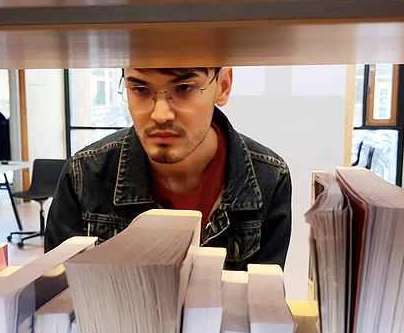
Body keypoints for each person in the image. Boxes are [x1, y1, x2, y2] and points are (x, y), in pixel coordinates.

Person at [44, 67, 292, 270]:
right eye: (140, 89)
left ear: (223, 85)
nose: (160, 114)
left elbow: (260, 307)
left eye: (184, 88)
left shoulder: (268, 179)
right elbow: (60, 306)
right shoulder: (85, 175)